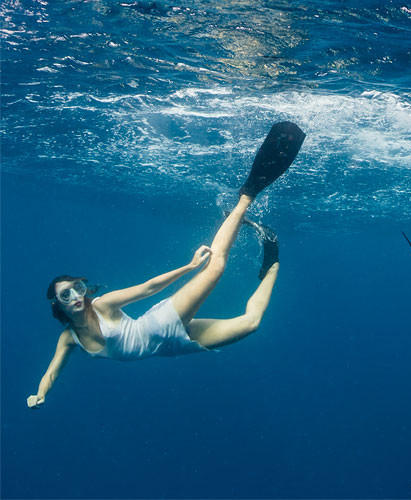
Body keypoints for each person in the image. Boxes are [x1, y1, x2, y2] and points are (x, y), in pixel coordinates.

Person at [27, 122, 305, 409]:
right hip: (167, 349)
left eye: (78, 288)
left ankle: (246, 197)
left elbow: (149, 288)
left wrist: (189, 267)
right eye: (66, 295)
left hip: (160, 325)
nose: (76, 296)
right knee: (251, 324)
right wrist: (41, 394)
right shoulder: (69, 338)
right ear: (56, 305)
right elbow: (52, 371)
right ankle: (272, 263)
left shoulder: (101, 305)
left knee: (215, 266)